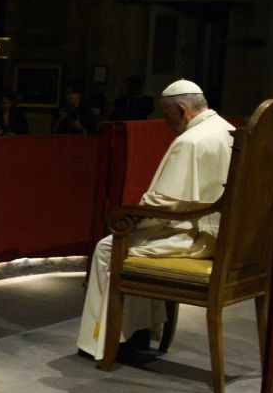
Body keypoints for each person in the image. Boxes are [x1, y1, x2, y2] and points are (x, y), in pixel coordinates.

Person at [76, 79, 234, 360]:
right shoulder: (227, 129)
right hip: (221, 233)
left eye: (166, 114)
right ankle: (141, 330)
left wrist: (134, 218)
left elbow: (162, 202)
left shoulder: (191, 140)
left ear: (183, 110)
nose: (164, 121)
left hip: (195, 237)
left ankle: (107, 339)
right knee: (135, 241)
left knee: (110, 248)